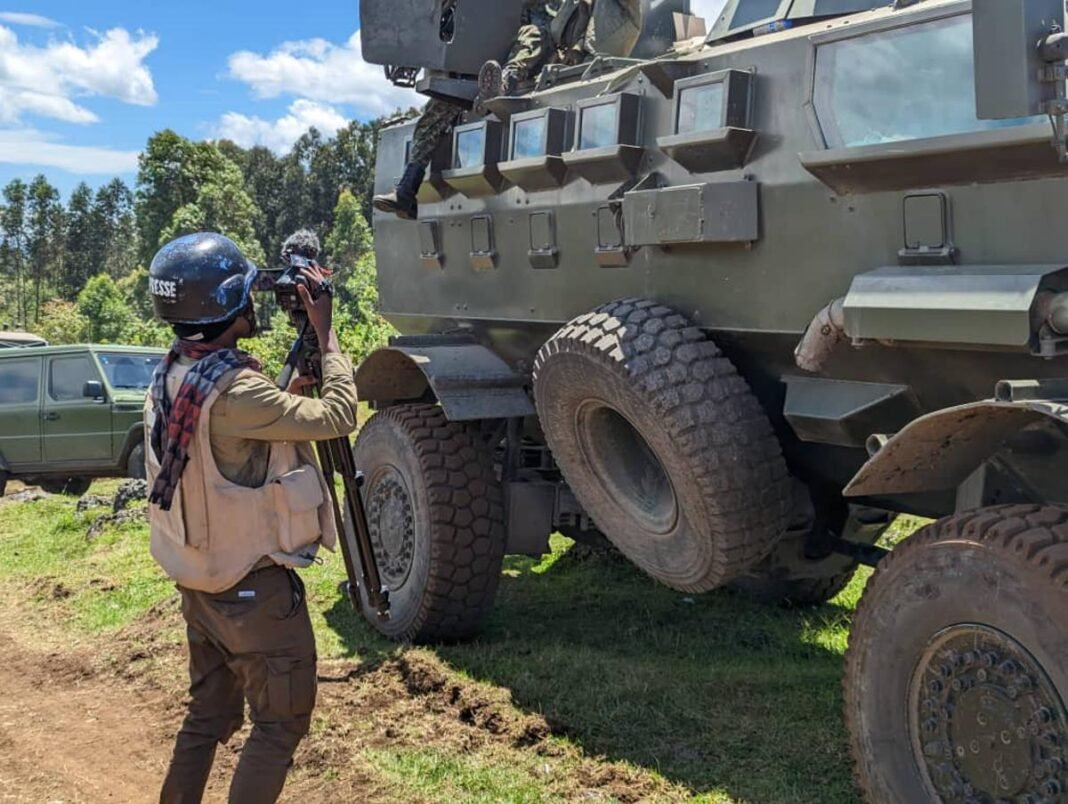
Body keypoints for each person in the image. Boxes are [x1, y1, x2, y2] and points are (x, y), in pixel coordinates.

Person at [145, 231, 358, 804]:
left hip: (198, 581)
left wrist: (288, 391)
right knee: (279, 724)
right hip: (251, 591)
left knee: (206, 718)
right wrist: (326, 333)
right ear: (229, 307)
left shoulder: (174, 375)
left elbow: (229, 450)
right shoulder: (236, 389)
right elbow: (339, 414)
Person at [373, 0, 602, 221]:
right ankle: (406, 190)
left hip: (527, 52)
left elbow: (558, 25)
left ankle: (503, 82)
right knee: (429, 121)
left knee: (532, 35)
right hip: (477, 65)